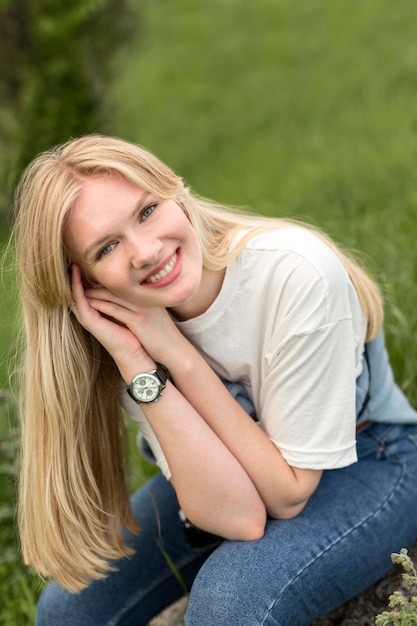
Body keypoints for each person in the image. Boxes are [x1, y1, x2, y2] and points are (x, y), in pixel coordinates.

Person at [12, 134, 417, 626]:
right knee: (66, 613)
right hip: (231, 467)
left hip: (370, 452)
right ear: (85, 284)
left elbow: (287, 493)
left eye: (146, 211)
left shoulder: (294, 274)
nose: (144, 251)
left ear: (176, 190)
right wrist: (141, 366)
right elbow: (239, 516)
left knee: (230, 603)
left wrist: (178, 356)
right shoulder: (117, 331)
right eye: (107, 247)